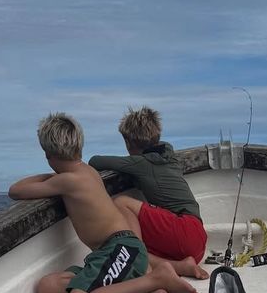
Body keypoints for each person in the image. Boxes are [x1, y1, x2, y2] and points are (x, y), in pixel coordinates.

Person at [8, 112, 202, 293]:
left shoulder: (66, 180)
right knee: (47, 287)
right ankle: (139, 291)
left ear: (48, 155)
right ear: (79, 146)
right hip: (113, 251)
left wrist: (51, 174)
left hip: (120, 250)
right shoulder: (87, 171)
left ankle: (156, 279)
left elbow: (16, 190)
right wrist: (56, 174)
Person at [89, 106, 208, 280]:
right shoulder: (170, 156)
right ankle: (180, 266)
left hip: (183, 231)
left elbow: (95, 161)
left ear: (128, 143)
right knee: (145, 247)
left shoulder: (140, 163)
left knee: (121, 202)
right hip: (198, 241)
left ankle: (140, 262)